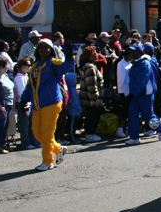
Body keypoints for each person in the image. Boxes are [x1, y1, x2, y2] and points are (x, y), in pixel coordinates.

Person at [19, 39, 75, 171]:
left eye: (46, 47)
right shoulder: (35, 65)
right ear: (37, 50)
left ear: (51, 50)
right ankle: (58, 149)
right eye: (41, 47)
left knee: (47, 134)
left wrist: (69, 56)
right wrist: (23, 99)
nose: (43, 49)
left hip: (51, 102)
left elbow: (66, 67)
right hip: (37, 104)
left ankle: (47, 161)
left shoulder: (54, 62)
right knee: (37, 133)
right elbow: (30, 85)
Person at [78, 46, 104, 143]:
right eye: (95, 53)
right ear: (90, 56)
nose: (97, 55)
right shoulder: (90, 67)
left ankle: (91, 133)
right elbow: (91, 84)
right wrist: (95, 97)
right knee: (92, 116)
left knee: (91, 115)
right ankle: (90, 134)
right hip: (91, 100)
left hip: (89, 99)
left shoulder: (89, 65)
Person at [13, 58, 41, 150]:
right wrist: (26, 102)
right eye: (28, 65)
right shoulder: (19, 78)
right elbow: (22, 92)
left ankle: (34, 141)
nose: (30, 67)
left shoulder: (26, 76)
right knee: (25, 124)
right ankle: (26, 143)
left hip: (30, 102)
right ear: (22, 67)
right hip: (24, 103)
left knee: (32, 124)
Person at [115, 48, 132, 139]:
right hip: (124, 92)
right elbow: (122, 80)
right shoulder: (121, 64)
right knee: (125, 111)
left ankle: (128, 128)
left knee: (129, 111)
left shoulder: (129, 63)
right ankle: (120, 129)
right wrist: (126, 93)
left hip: (129, 91)